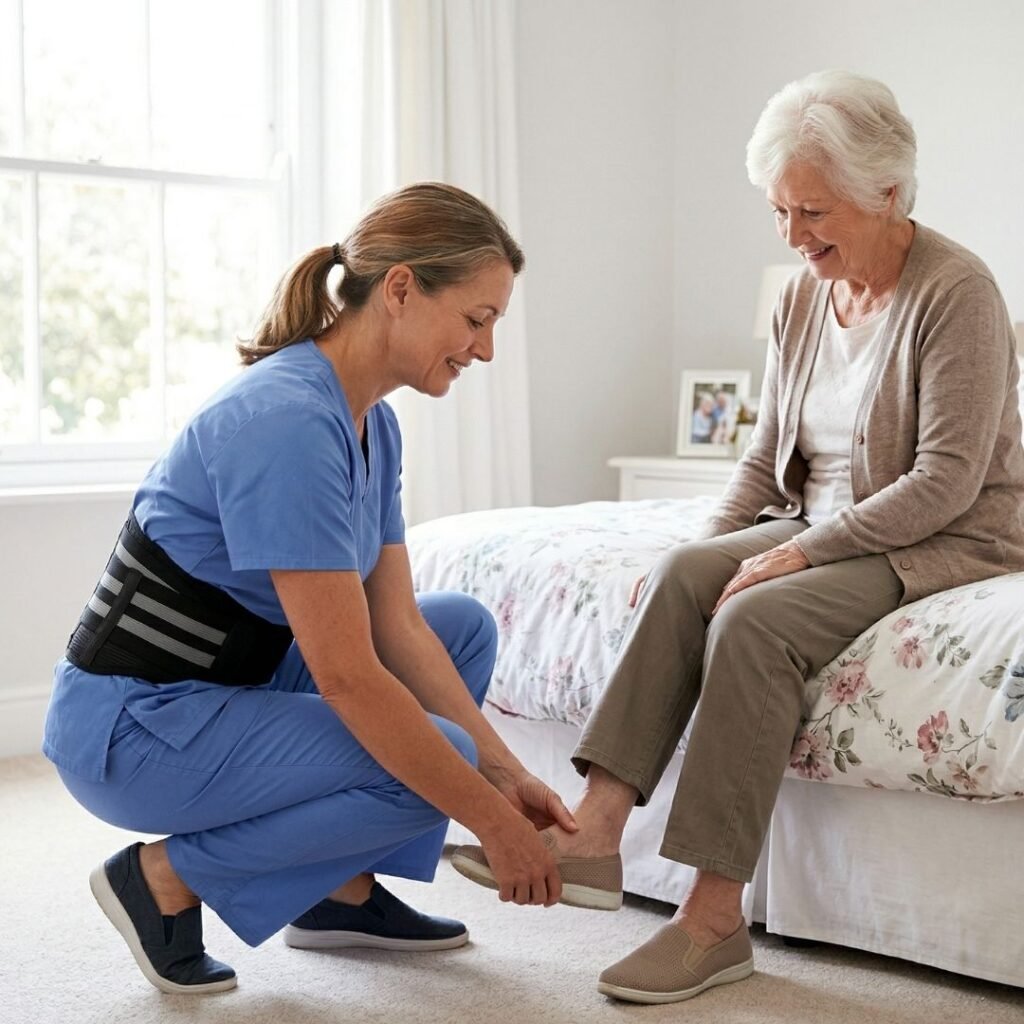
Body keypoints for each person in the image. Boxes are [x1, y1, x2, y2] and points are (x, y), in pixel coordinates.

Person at [452, 70, 1024, 1004]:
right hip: (816, 516)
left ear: (889, 191)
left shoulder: (958, 294)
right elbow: (764, 462)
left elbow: (945, 482)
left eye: (814, 211)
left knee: (753, 621)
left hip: (942, 537)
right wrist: (710, 547)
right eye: (780, 212)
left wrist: (794, 553)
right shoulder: (803, 297)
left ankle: (712, 921)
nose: (796, 237)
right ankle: (596, 834)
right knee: (685, 575)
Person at [42, 182, 579, 995]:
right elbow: (347, 676)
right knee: (432, 759)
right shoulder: (287, 422)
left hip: (226, 690)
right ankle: (161, 881)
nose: (486, 350)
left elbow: (395, 625)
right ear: (400, 289)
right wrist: (491, 820)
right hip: (134, 726)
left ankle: (337, 891)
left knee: (459, 627)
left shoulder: (374, 423)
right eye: (477, 320)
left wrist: (509, 775)